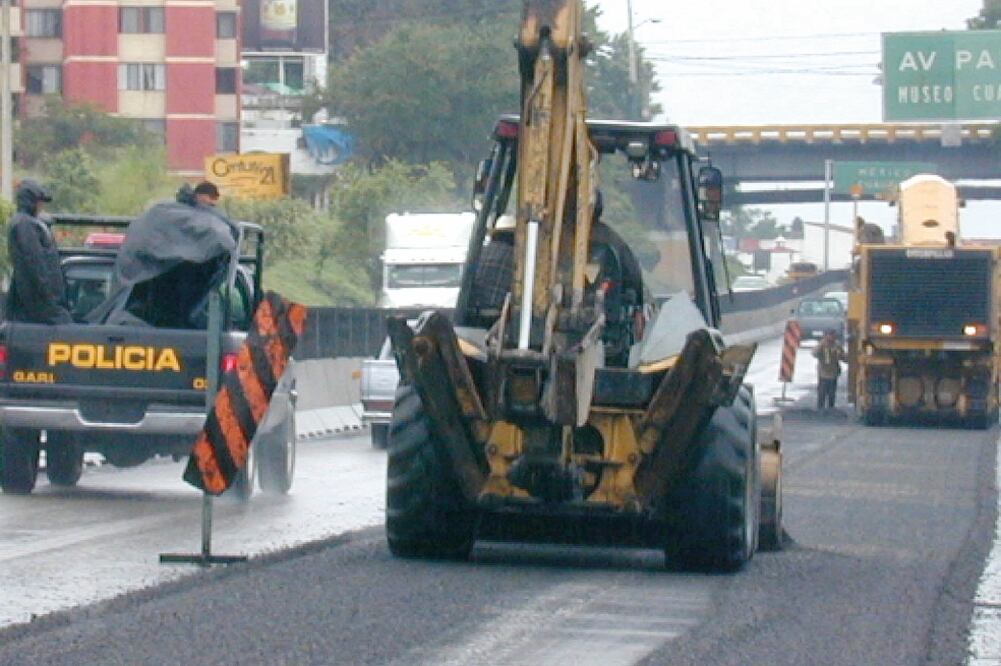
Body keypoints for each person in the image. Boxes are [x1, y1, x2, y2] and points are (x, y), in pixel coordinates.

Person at [6, 179, 72, 324]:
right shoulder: (24, 225)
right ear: (30, 201)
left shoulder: (27, 223)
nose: (41, 206)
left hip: (41, 307)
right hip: (41, 308)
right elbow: (35, 264)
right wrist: (48, 297)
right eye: (39, 202)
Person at [814, 329, 846, 410]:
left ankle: (831, 407)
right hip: (823, 372)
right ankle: (820, 407)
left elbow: (843, 356)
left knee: (832, 392)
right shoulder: (822, 345)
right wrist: (821, 347)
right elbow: (815, 353)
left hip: (833, 372)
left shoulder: (837, 345)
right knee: (822, 391)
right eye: (830, 335)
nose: (832, 337)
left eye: (833, 335)